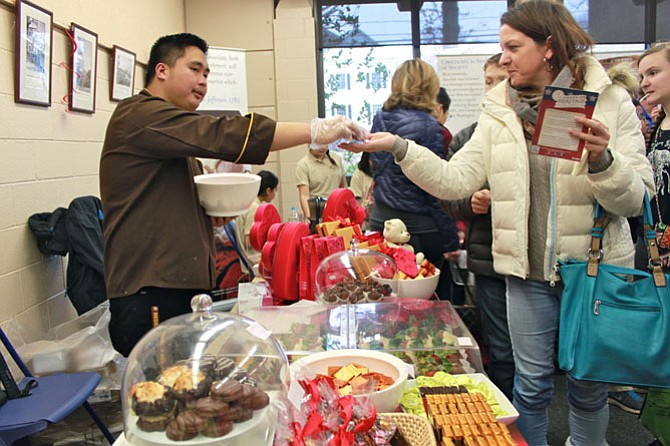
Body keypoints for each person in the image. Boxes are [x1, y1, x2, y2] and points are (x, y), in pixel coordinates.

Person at [341, 2, 653, 445]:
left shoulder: (610, 101)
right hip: (524, 272)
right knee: (531, 385)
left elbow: (635, 199)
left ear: (548, 47)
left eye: (512, 46)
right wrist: (398, 146)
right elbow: (454, 180)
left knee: (587, 385)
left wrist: (603, 159)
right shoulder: (498, 108)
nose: (503, 58)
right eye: (501, 48)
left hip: (592, 270)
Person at [100, 33, 365, 357]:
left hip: (177, 286)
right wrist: (314, 130)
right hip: (150, 290)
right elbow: (222, 133)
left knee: (185, 389)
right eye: (195, 69)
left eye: (207, 74)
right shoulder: (139, 115)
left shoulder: (169, 137)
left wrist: (211, 215)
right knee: (163, 394)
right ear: (161, 71)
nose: (202, 81)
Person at [440, 52, 514, 402]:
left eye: (501, 80)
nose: (494, 88)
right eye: (488, 81)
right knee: (500, 349)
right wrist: (470, 204)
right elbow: (448, 195)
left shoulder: (535, 135)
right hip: (489, 259)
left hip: (536, 265)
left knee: (539, 357)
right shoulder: (467, 137)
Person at [368, 59, 461, 301]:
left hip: (381, 221)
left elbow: (376, 169)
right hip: (418, 229)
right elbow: (434, 187)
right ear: (429, 87)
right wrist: (451, 239)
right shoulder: (429, 127)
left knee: (387, 299)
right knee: (428, 304)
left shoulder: (380, 118)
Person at [234, 170, 279, 273]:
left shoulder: (248, 203)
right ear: (268, 191)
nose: (274, 194)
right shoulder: (254, 208)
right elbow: (248, 242)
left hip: (252, 257)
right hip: (254, 260)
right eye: (275, 190)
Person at [295, 146, 348, 226]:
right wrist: (308, 217)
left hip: (338, 214)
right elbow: (304, 195)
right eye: (319, 143)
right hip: (318, 214)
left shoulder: (337, 158)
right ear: (310, 143)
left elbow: (344, 187)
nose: (322, 147)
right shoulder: (303, 164)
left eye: (325, 143)